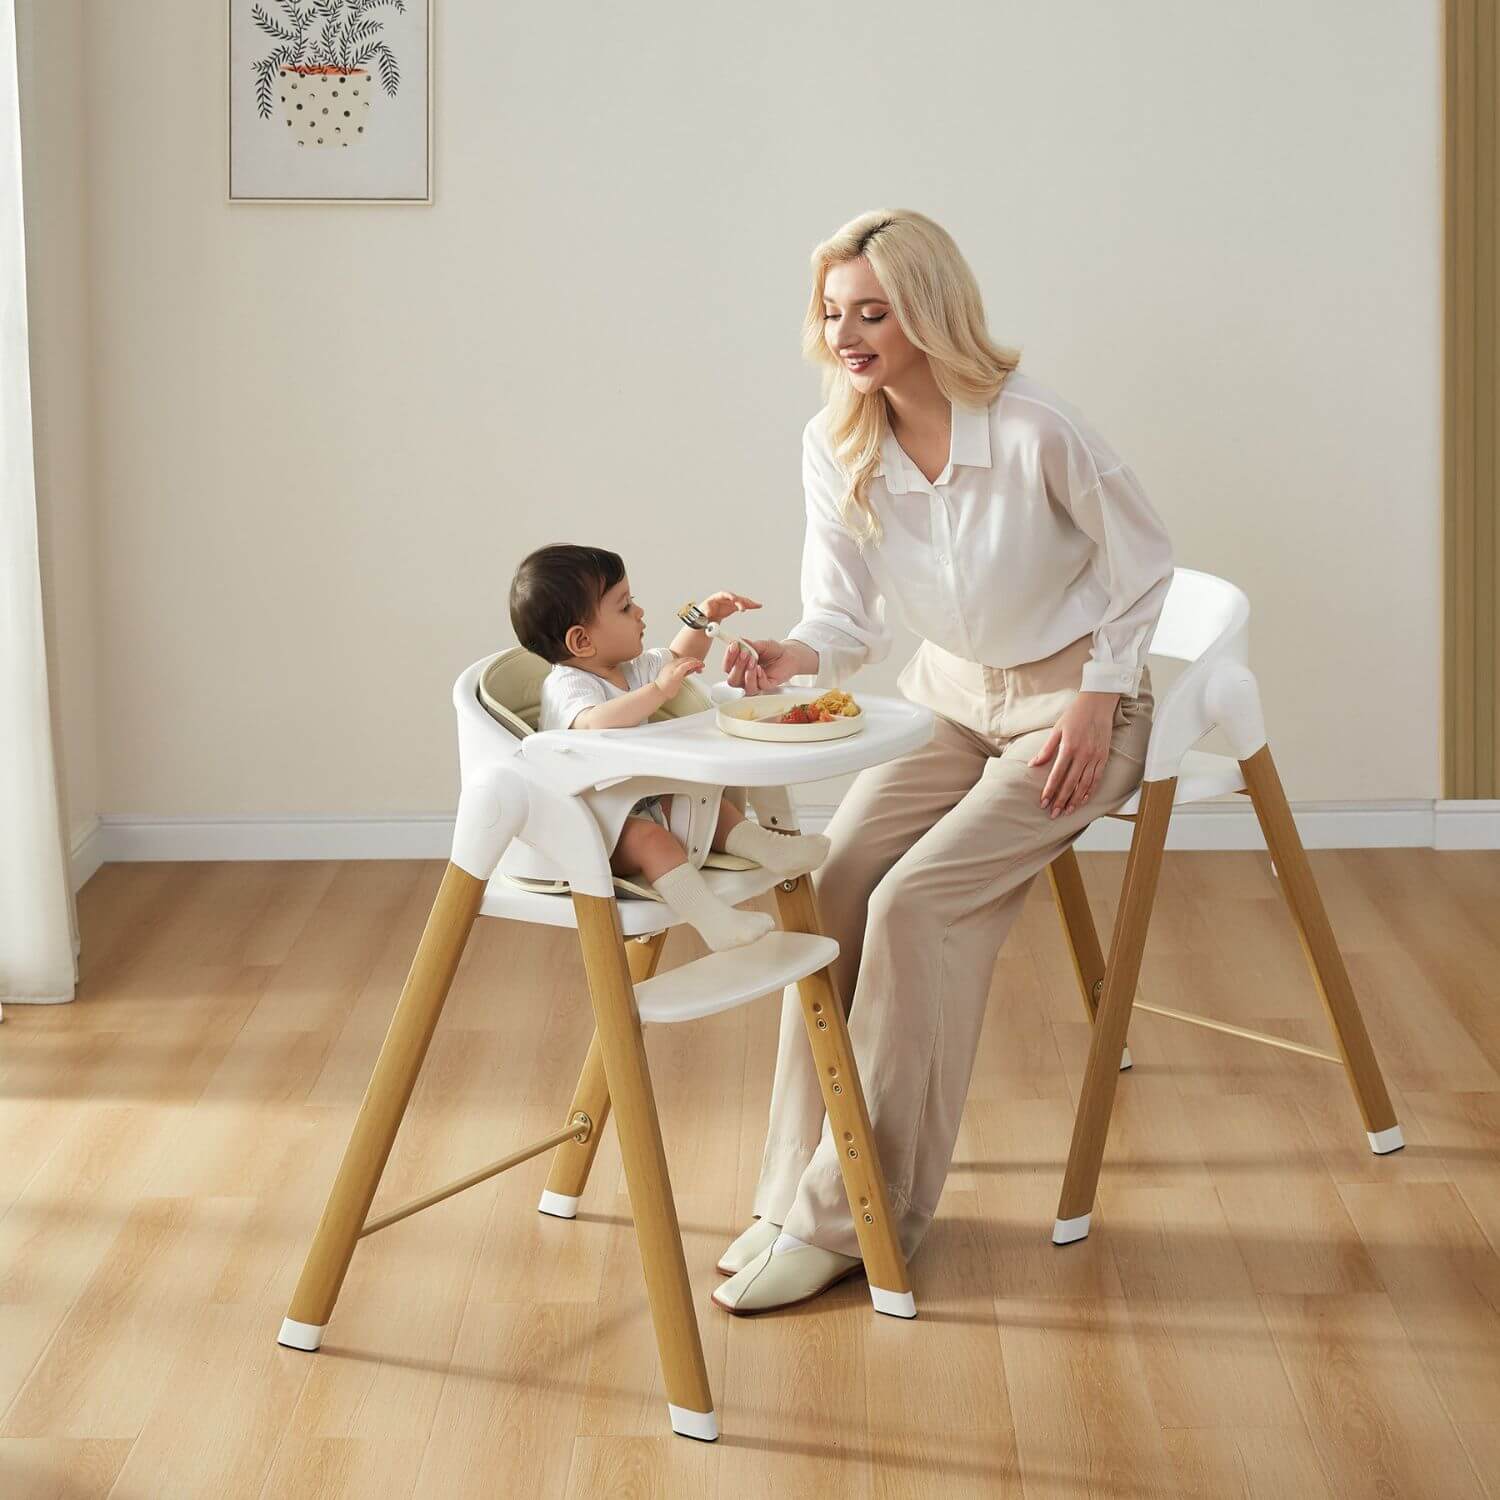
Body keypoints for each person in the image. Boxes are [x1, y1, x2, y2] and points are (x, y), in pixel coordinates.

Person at [709, 209, 1174, 1315]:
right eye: (833, 313)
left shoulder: (1035, 428)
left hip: (1074, 711)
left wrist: (1099, 700)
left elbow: (1148, 566)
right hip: (950, 702)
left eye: (873, 311)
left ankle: (856, 1221)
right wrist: (791, 653)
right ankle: (790, 1195)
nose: (850, 334)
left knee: (916, 905)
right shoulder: (838, 443)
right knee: (827, 883)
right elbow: (844, 617)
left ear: (928, 312)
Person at [508, 544, 830, 951]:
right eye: (625, 607)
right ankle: (716, 923)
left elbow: (679, 656)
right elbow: (592, 723)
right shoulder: (568, 684)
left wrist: (705, 618)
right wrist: (657, 693)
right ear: (581, 640)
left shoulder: (628, 668)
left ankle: (774, 851)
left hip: (636, 802)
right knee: (652, 841)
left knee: (711, 807)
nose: (639, 613)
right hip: (589, 827)